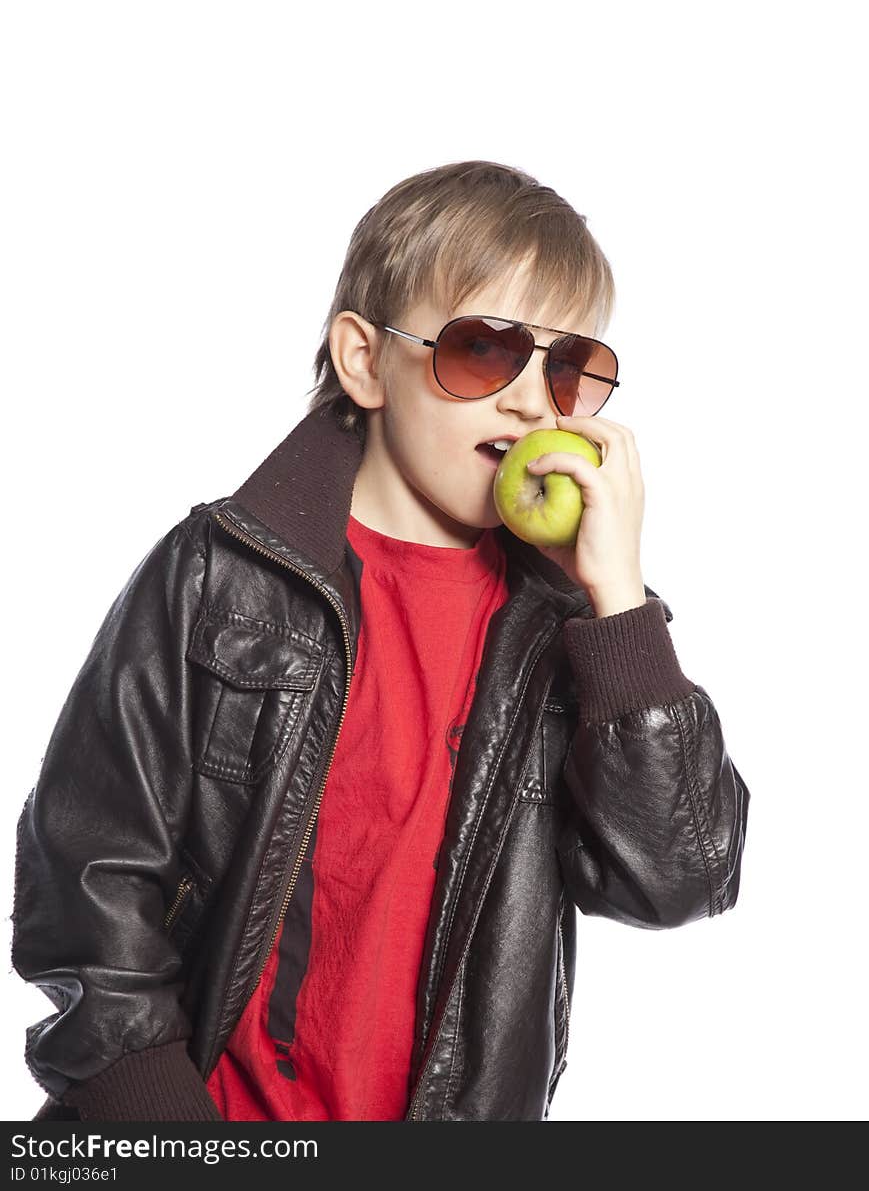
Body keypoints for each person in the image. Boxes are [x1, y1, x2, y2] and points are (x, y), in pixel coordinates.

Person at [12, 159, 750, 1123]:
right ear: (365, 360)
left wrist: (617, 602)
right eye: (485, 350)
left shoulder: (570, 628)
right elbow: (86, 882)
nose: (533, 401)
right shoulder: (218, 573)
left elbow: (680, 877)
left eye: (568, 368)